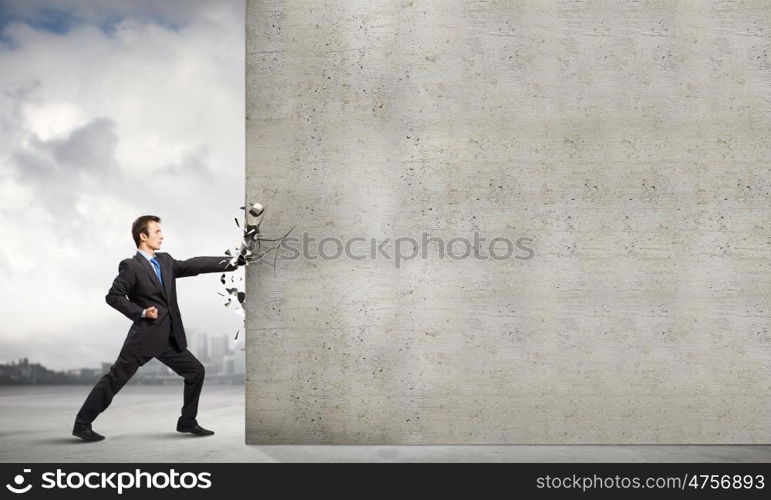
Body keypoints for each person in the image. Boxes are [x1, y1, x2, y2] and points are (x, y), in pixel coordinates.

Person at [72, 215, 241, 441]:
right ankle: (82, 424)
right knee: (115, 379)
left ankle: (187, 422)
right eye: (157, 231)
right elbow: (113, 296)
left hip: (169, 338)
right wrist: (141, 312)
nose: (162, 235)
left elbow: (194, 264)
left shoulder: (166, 261)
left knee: (195, 371)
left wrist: (233, 262)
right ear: (143, 236)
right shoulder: (131, 266)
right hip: (144, 337)